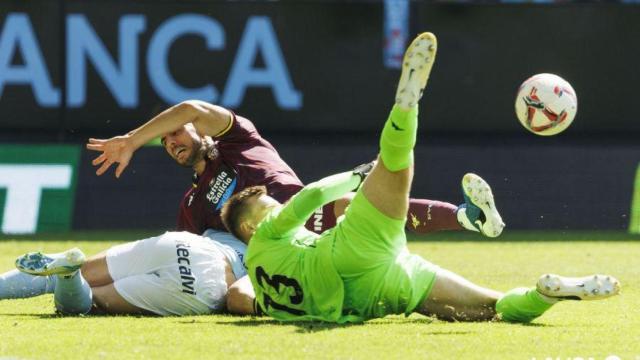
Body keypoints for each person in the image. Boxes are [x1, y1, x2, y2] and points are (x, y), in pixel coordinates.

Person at [219, 32, 620, 323]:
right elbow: (311, 195)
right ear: (250, 225)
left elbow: (246, 300)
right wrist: (359, 177)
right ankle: (406, 108)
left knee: (490, 308)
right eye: (269, 204)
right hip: (351, 252)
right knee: (394, 162)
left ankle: (543, 295)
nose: (277, 205)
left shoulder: (260, 277)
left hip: (372, 296)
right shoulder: (268, 231)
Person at [86, 99, 503, 239]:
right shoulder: (193, 201)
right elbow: (188, 251)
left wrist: (131, 140)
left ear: (198, 130)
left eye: (175, 133)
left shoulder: (238, 139)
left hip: (299, 209)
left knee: (354, 206)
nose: (172, 142)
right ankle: (467, 218)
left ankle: (469, 218)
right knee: (361, 213)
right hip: (274, 250)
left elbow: (192, 108)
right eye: (165, 143)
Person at [0, 229, 247, 316]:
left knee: (82, 271)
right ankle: (69, 276)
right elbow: (239, 296)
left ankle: (68, 270)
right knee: (90, 303)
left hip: (187, 244)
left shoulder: (247, 230)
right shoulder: (275, 259)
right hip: (206, 283)